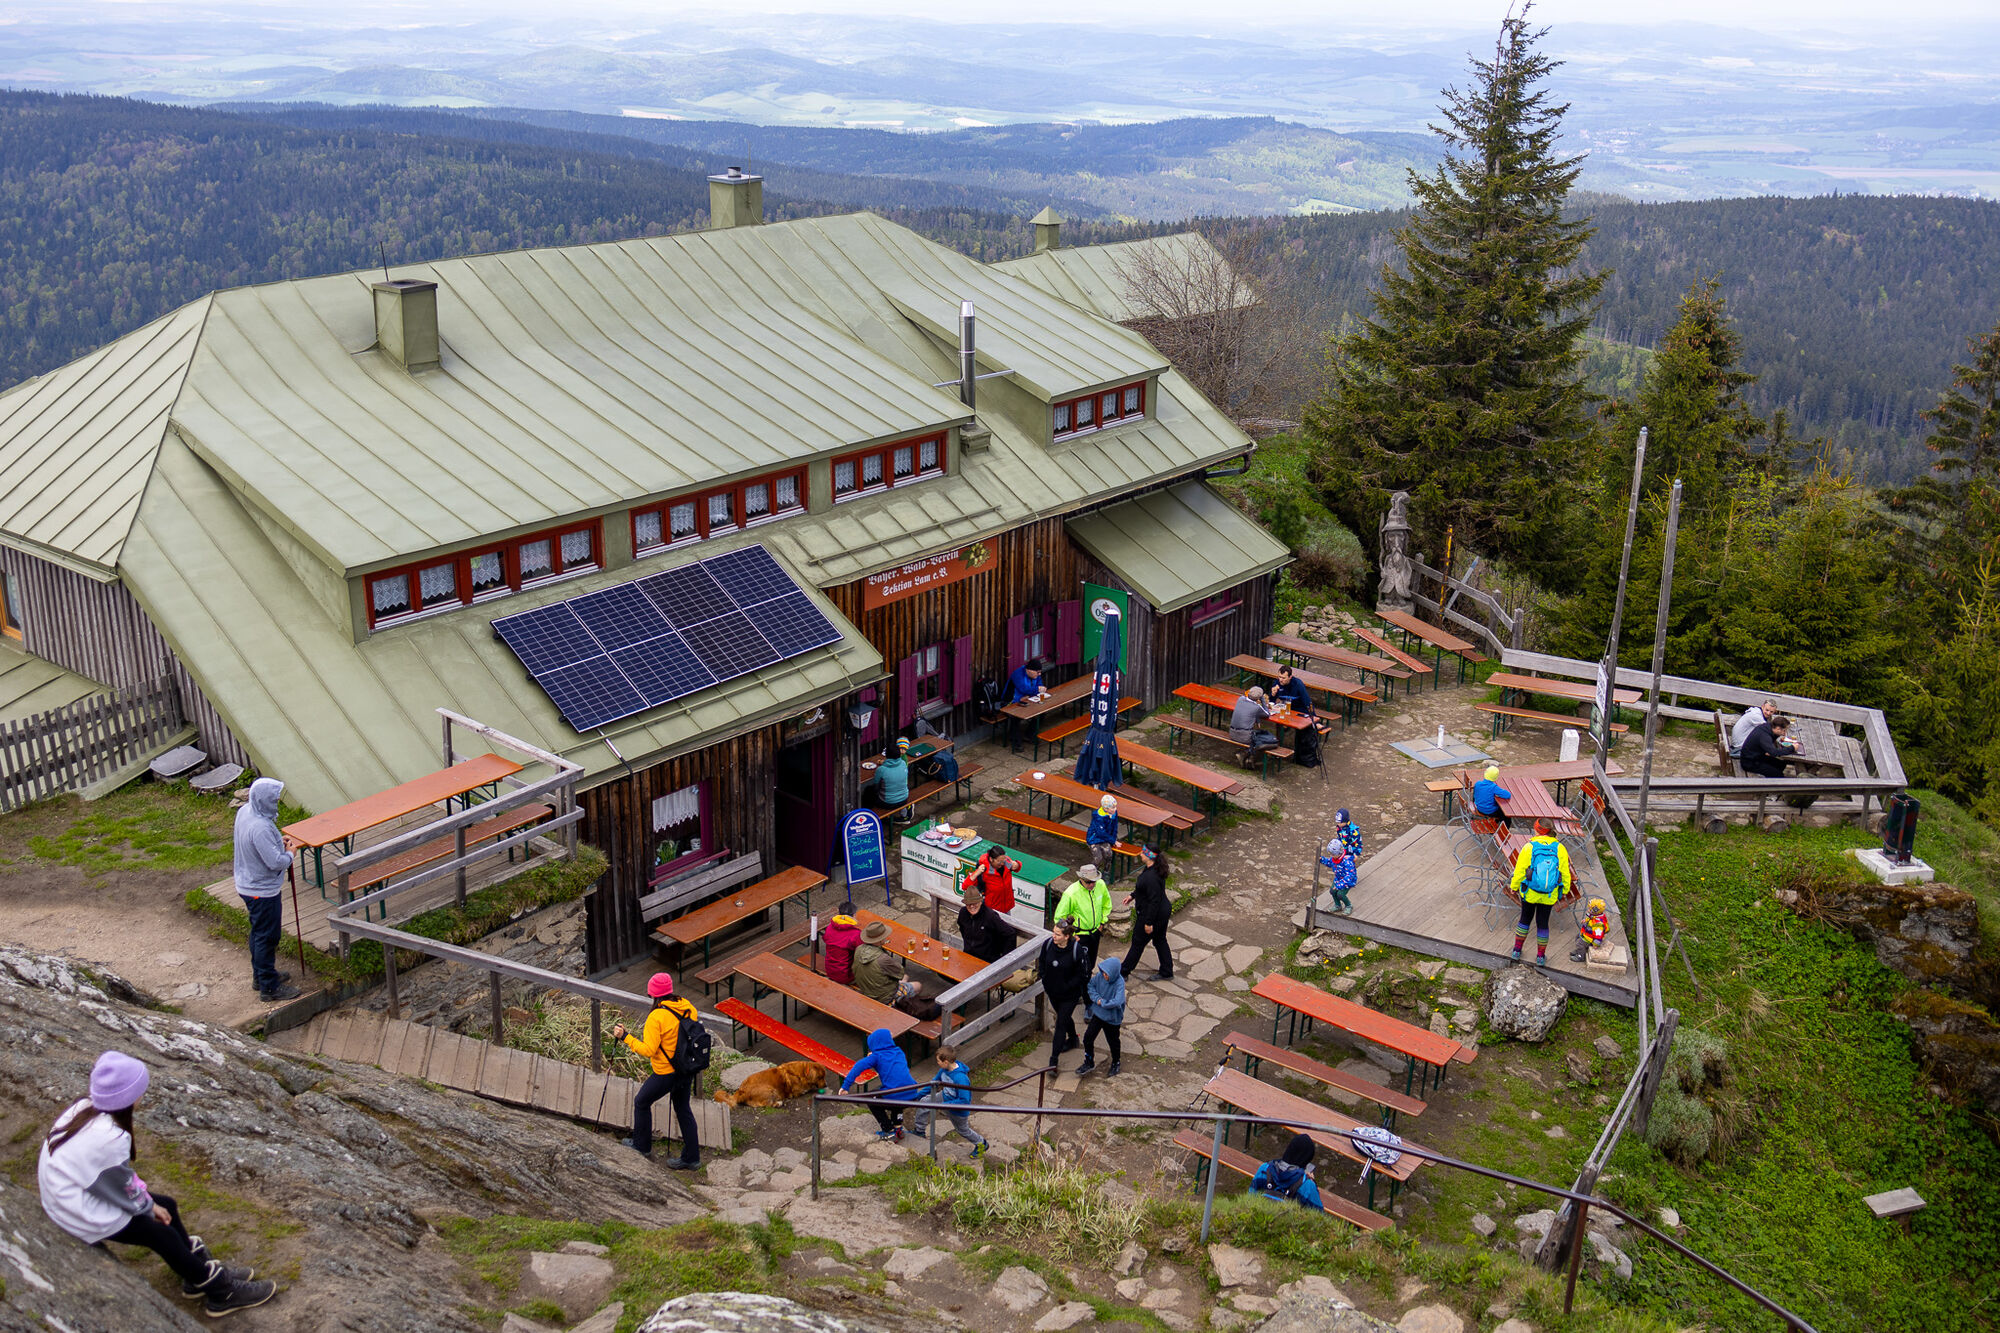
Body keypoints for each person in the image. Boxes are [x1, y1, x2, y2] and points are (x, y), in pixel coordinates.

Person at [40, 1051, 277, 1317]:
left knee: (168, 1206)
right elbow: (119, 1186)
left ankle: (194, 1269)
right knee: (160, 1234)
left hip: (73, 1190)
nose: (143, 1094)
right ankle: (220, 1291)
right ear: (128, 1098)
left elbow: (115, 1178)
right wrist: (147, 1206)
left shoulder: (84, 1109)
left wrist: (149, 1202)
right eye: (140, 1090)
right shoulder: (109, 1138)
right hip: (76, 1210)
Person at [614, 973, 701, 1169]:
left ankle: (641, 1146)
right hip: (685, 1068)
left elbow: (649, 1050)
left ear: (653, 994)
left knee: (641, 1102)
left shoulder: (656, 1017)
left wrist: (625, 1037)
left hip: (666, 1072)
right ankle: (692, 1158)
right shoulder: (687, 1007)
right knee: (683, 1109)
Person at [232, 776, 300, 1002]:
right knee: (267, 936)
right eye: (274, 799)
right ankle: (269, 988)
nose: (277, 803)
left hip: (247, 882)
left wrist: (277, 842)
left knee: (258, 932)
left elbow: (262, 845)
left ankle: (260, 977)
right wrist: (290, 853)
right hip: (261, 890)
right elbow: (275, 862)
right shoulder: (260, 827)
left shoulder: (246, 812)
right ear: (264, 800)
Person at [1509, 820, 1573, 968]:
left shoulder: (1529, 847)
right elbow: (1565, 872)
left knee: (1525, 919)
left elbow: (1520, 870)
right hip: (1549, 895)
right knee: (1543, 923)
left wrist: (1514, 886)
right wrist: (1564, 890)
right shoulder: (1560, 848)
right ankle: (1540, 957)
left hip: (1530, 892)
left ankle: (1516, 951)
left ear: (1537, 830)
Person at [841, 1028, 923, 1141]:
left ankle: (888, 1130)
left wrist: (845, 1086)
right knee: (894, 1091)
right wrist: (875, 1056)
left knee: (871, 1098)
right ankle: (898, 1129)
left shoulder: (876, 1057)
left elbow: (858, 1066)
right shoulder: (899, 1051)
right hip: (911, 1092)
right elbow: (889, 1060)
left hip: (896, 1095)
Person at [908, 1045, 988, 1157]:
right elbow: (933, 1083)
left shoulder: (960, 1078)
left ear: (946, 1062)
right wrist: (918, 1096)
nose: (937, 1063)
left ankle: (981, 1143)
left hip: (958, 1109)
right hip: (945, 1096)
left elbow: (964, 1100)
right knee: (924, 1102)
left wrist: (943, 1105)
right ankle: (919, 1130)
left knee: (963, 1130)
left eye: (938, 1061)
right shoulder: (944, 1070)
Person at [1037, 918, 1090, 1065]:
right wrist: (1044, 978)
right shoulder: (1048, 944)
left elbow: (1081, 975)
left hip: (1069, 995)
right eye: (1053, 932)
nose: (1053, 936)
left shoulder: (1076, 950)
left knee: (1060, 1023)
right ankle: (1073, 1038)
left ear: (1066, 936)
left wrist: (1067, 986)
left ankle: (1053, 1060)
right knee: (1063, 1016)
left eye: (1057, 934)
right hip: (1052, 992)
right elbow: (1042, 961)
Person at [1121, 843, 1173, 981]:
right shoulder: (1153, 868)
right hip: (1162, 911)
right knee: (1160, 940)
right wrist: (1133, 895)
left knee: (1138, 943)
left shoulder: (1151, 877)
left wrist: (1148, 923)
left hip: (1152, 915)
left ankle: (1123, 972)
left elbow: (1154, 901)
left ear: (1150, 856)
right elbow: (1143, 890)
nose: (1140, 854)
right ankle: (1167, 971)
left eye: (1143, 852)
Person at [1054, 863, 1113, 968]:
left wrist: (1102, 923)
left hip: (1095, 933)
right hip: (1079, 936)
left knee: (1091, 964)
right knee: (1077, 966)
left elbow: (1107, 904)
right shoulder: (1071, 893)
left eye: (1094, 881)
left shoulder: (1101, 885)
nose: (1092, 884)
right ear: (1081, 879)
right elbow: (1059, 917)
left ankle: (1088, 977)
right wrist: (1071, 935)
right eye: (1088, 882)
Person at [1249, 1133, 1324, 1211]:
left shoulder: (1264, 1169)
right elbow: (1318, 1214)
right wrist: (1313, 1183)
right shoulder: (1308, 1185)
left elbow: (1250, 1198)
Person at [1078, 956, 1125, 1076]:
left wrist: (1103, 1003)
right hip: (1098, 1014)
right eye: (1103, 972)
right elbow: (1090, 986)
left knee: (1113, 1042)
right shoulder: (1100, 976)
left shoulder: (1119, 983)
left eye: (1107, 974)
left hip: (1112, 1018)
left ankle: (1116, 1062)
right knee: (1088, 1038)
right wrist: (1097, 999)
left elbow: (1118, 1001)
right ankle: (1089, 1061)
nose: (1104, 975)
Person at [955, 882, 1019, 963]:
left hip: (988, 961)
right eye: (969, 904)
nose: (972, 906)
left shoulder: (990, 916)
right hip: (968, 957)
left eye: (975, 903)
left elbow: (1010, 934)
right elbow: (962, 928)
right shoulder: (963, 913)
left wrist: (1005, 961)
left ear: (980, 902)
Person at [851, 919, 906, 1005]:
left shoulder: (859, 949)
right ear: (880, 940)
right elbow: (900, 973)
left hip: (866, 990)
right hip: (884, 997)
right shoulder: (883, 959)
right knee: (916, 985)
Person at [963, 845, 1021, 916]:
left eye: (1003, 861)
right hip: (992, 910)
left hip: (1007, 907)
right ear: (991, 859)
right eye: (999, 861)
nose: (1002, 863)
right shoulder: (983, 870)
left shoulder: (1006, 862)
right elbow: (965, 886)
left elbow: (1017, 867)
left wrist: (1017, 864)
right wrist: (976, 873)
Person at [1229, 687, 1279, 767]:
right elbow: (1267, 714)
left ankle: (1249, 757)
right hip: (1244, 737)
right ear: (1259, 697)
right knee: (1270, 740)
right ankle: (1247, 754)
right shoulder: (1256, 707)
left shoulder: (1240, 699)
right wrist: (1263, 700)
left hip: (1232, 733)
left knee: (1257, 734)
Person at [1004, 658, 1047, 752]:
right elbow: (1024, 689)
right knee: (1016, 717)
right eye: (1038, 672)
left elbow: (1039, 685)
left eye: (1040, 672)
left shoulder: (1036, 675)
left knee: (1041, 713)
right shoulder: (1018, 674)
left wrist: (1037, 690)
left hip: (1027, 700)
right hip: (1011, 702)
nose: (1039, 674)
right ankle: (1016, 743)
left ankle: (1029, 735)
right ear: (1029, 670)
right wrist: (1037, 690)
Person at [1084, 795, 1121, 879]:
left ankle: (1106, 872)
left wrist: (1114, 839)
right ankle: (1090, 874)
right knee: (1098, 858)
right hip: (1095, 839)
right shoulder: (1099, 817)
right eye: (1113, 807)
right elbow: (1101, 833)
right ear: (1106, 809)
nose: (1115, 809)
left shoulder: (1114, 813)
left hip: (1105, 839)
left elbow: (1115, 827)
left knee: (1109, 855)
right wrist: (1113, 841)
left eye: (1115, 807)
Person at [870, 740, 912, 813]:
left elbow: (876, 787)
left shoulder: (881, 770)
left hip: (887, 803)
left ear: (887, 755)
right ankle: (904, 812)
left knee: (868, 792)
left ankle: (868, 815)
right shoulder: (903, 763)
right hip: (904, 799)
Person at [823, 913, 862, 985]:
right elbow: (862, 951)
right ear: (854, 915)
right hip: (846, 975)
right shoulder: (856, 933)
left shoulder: (830, 927)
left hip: (829, 970)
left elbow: (825, 939)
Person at [1322, 841, 1357, 916]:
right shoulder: (1335, 858)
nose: (1331, 856)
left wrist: (1339, 885)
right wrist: (1322, 860)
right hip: (1338, 879)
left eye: (1332, 854)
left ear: (1339, 853)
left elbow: (1349, 875)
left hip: (1347, 881)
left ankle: (1348, 905)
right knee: (1332, 891)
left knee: (1340, 894)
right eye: (1330, 854)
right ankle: (1338, 905)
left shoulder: (1347, 861)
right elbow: (1330, 863)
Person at [1571, 897, 1610, 963]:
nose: (1588, 910)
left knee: (1579, 944)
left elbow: (1598, 936)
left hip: (1590, 938)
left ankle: (1580, 956)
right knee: (1577, 937)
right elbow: (1590, 919)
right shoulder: (1594, 915)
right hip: (1586, 933)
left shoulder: (1598, 924)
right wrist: (1585, 920)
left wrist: (1596, 944)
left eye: (1590, 909)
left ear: (1595, 910)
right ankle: (1580, 950)